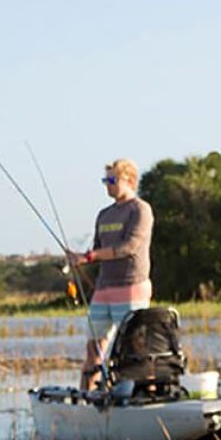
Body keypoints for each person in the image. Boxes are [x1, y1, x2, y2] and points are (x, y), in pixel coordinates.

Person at [78, 158, 154, 389]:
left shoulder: (140, 209)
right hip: (104, 288)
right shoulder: (104, 215)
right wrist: (81, 258)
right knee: (93, 348)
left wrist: (92, 256)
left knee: (136, 347)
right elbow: (98, 249)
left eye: (112, 180)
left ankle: (149, 394)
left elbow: (128, 247)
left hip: (131, 286)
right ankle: (87, 399)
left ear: (129, 180)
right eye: (105, 180)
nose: (107, 185)